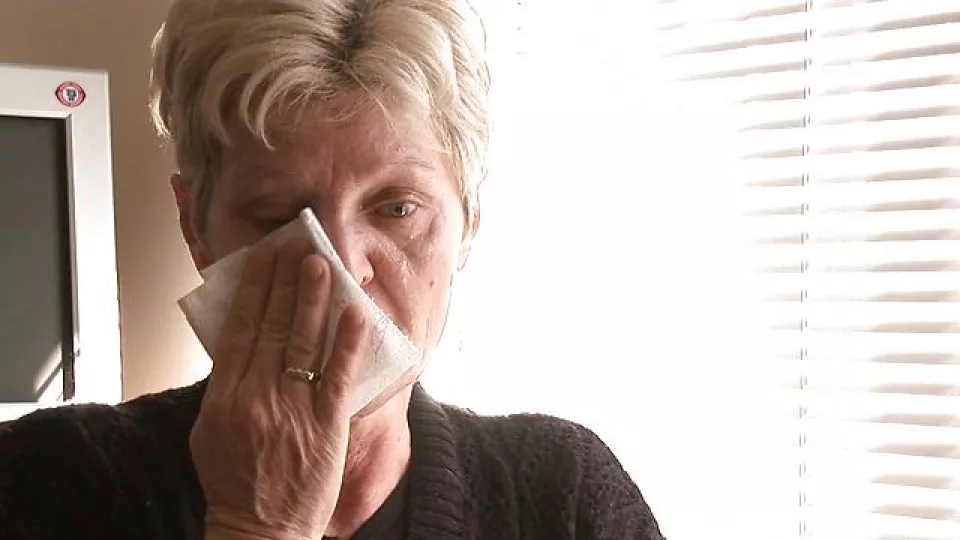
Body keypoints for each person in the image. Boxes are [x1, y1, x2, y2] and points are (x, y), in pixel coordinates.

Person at [0, 1, 665, 538]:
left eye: (397, 209)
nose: (341, 266)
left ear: (466, 221)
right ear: (195, 229)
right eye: (276, 215)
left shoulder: (564, 495)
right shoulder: (47, 482)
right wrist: (257, 527)